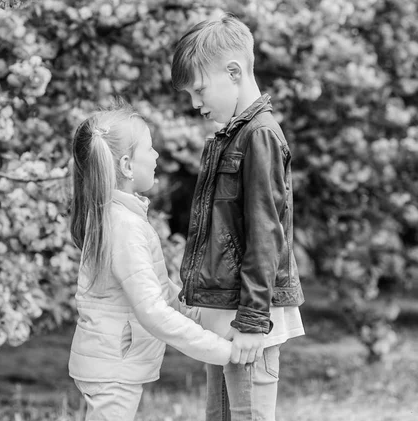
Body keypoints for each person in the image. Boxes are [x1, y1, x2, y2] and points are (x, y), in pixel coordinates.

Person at [170, 13, 306, 421]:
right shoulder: (233, 133)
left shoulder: (259, 135)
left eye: (199, 90)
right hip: (226, 313)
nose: (195, 104)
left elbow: (267, 231)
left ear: (233, 72)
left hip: (248, 320)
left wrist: (251, 320)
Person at [68, 100, 232, 421]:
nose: (157, 156)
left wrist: (205, 315)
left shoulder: (121, 217)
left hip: (111, 363)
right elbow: (152, 311)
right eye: (150, 148)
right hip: (113, 366)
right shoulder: (124, 226)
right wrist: (222, 351)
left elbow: (162, 293)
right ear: (128, 166)